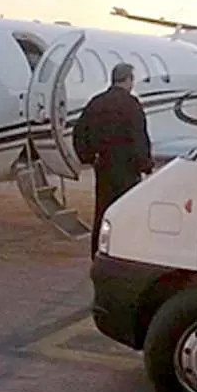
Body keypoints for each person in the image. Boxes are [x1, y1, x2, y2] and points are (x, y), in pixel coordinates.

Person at [73, 62, 153, 257]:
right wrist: (146, 164)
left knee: (102, 211)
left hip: (104, 167)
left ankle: (98, 252)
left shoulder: (97, 102)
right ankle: (124, 252)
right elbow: (138, 136)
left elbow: (79, 133)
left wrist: (89, 157)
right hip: (127, 169)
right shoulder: (131, 105)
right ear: (128, 80)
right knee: (127, 212)